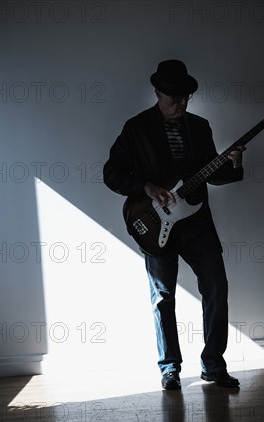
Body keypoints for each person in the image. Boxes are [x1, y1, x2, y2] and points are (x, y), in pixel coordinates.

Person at [103, 60, 245, 390]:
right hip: (155, 224)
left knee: (216, 287)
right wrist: (145, 187)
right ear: (157, 93)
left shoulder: (200, 127)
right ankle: (170, 368)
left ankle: (213, 365)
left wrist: (234, 166)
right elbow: (112, 172)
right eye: (173, 99)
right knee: (162, 297)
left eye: (185, 99)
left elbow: (213, 173)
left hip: (197, 223)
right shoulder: (136, 128)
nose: (180, 105)